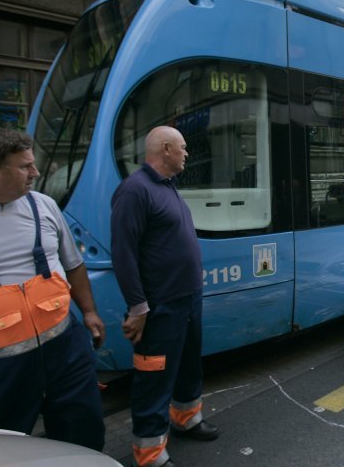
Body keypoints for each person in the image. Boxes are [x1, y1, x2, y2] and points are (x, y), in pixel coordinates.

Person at [0, 128, 105, 450]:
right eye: (24, 166)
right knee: (6, 446)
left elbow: (73, 265)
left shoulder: (43, 206)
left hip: (65, 348)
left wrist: (89, 312)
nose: (35, 173)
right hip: (2, 367)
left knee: (83, 431)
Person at [111, 126, 219, 467]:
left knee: (189, 366)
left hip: (188, 299)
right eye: (184, 147)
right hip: (160, 306)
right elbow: (123, 254)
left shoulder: (169, 188)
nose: (187, 153)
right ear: (167, 148)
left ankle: (186, 418)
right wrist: (139, 307)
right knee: (154, 378)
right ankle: (150, 452)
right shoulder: (134, 191)